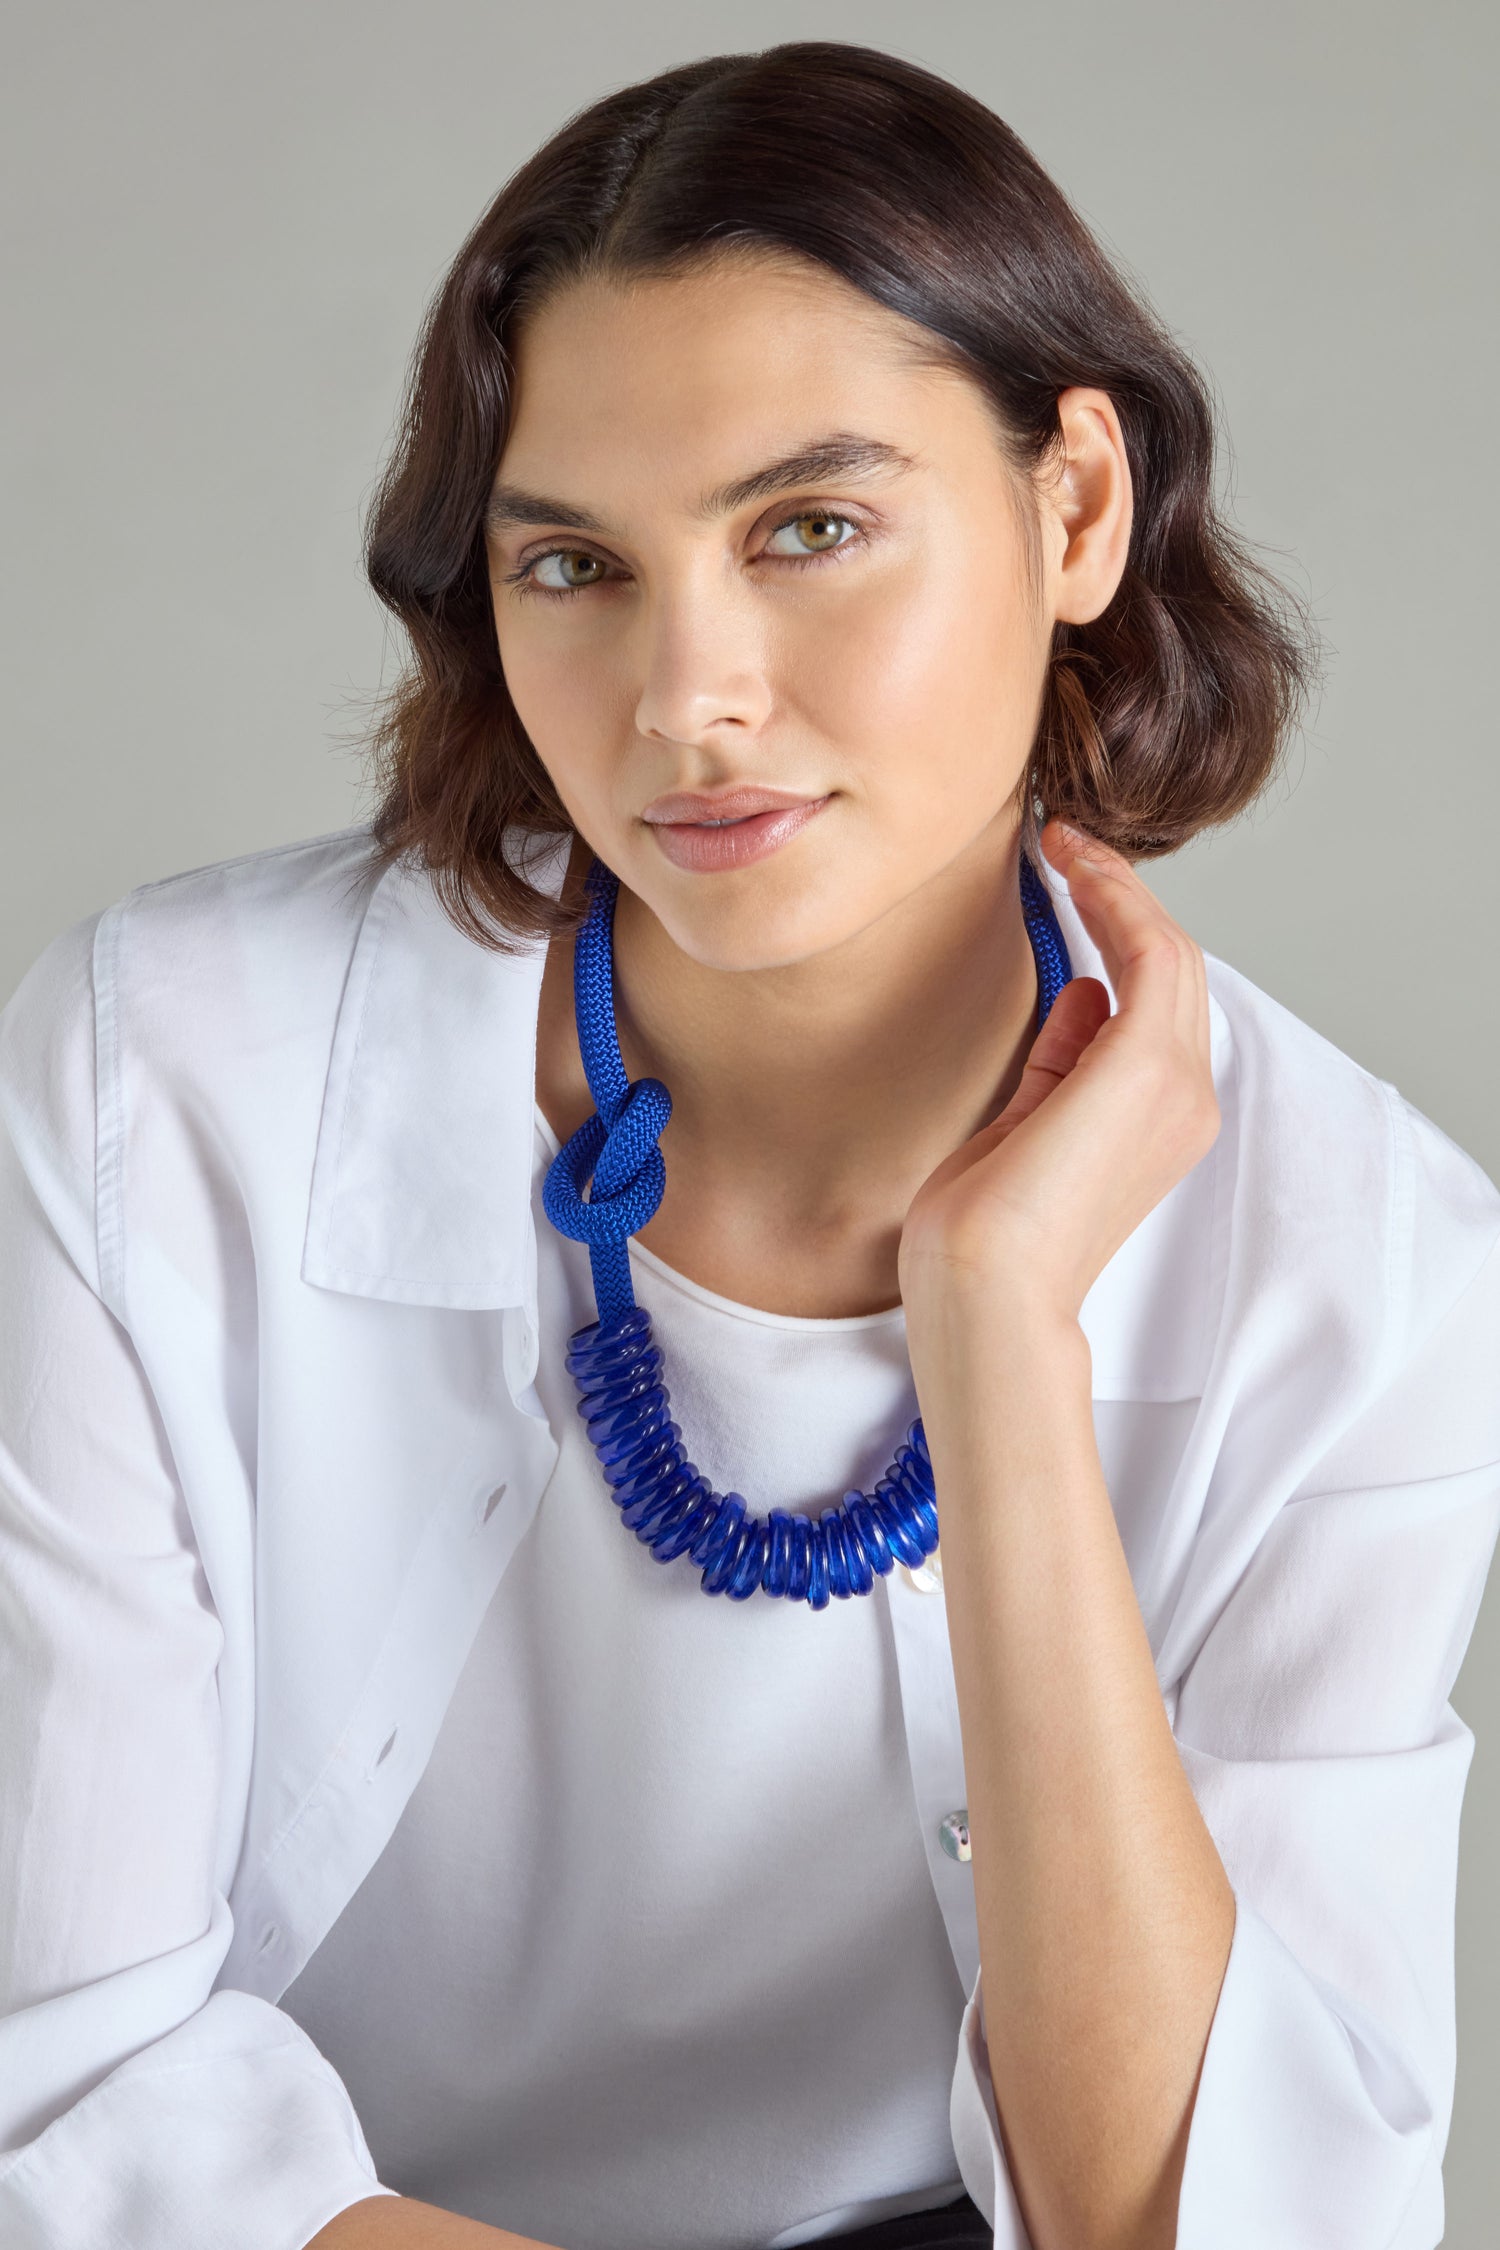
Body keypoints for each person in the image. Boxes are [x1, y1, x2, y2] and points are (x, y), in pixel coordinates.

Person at [1, 37, 1497, 2250]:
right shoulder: (171, 1080)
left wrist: (994, 1343)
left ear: (1077, 509)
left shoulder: (1371, 1273)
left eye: (811, 528)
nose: (687, 695)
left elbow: (1208, 2219)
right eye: (577, 567)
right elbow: (67, 2092)